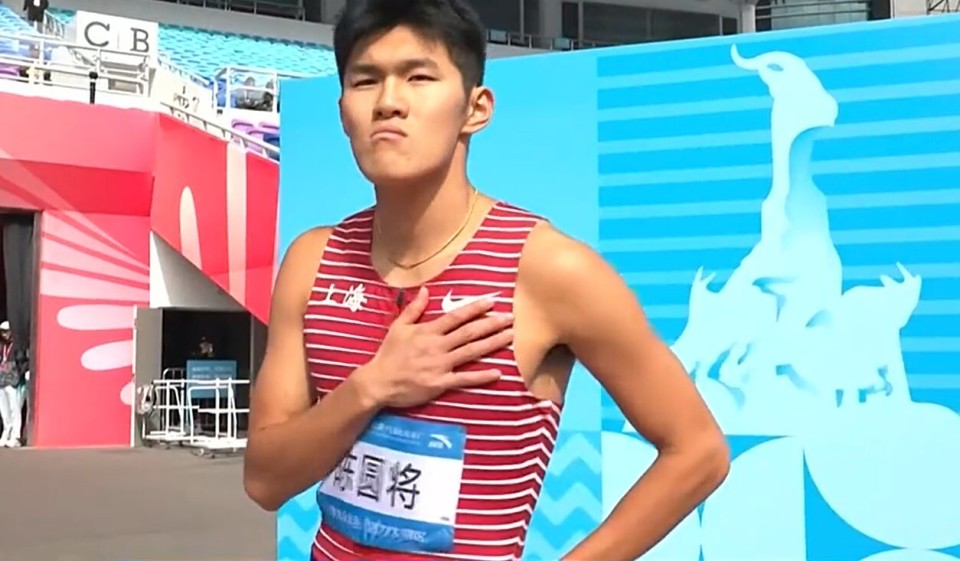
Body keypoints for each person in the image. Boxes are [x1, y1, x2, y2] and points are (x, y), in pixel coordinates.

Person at [242, 1, 730, 560]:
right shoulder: (313, 261)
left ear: (476, 109)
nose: (389, 102)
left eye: (419, 77)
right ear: (343, 112)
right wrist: (372, 387)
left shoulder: (549, 270)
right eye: (365, 80)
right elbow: (264, 481)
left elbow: (698, 451)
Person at [0, 321, 23, 448]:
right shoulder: (1, 346)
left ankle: (16, 436)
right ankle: (6, 431)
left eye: (6, 331)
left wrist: (18, 374)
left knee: (15, 409)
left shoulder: (16, 346)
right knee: (4, 409)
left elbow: (22, 361)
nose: (5, 334)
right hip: (2, 380)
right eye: (2, 332)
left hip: (12, 380)